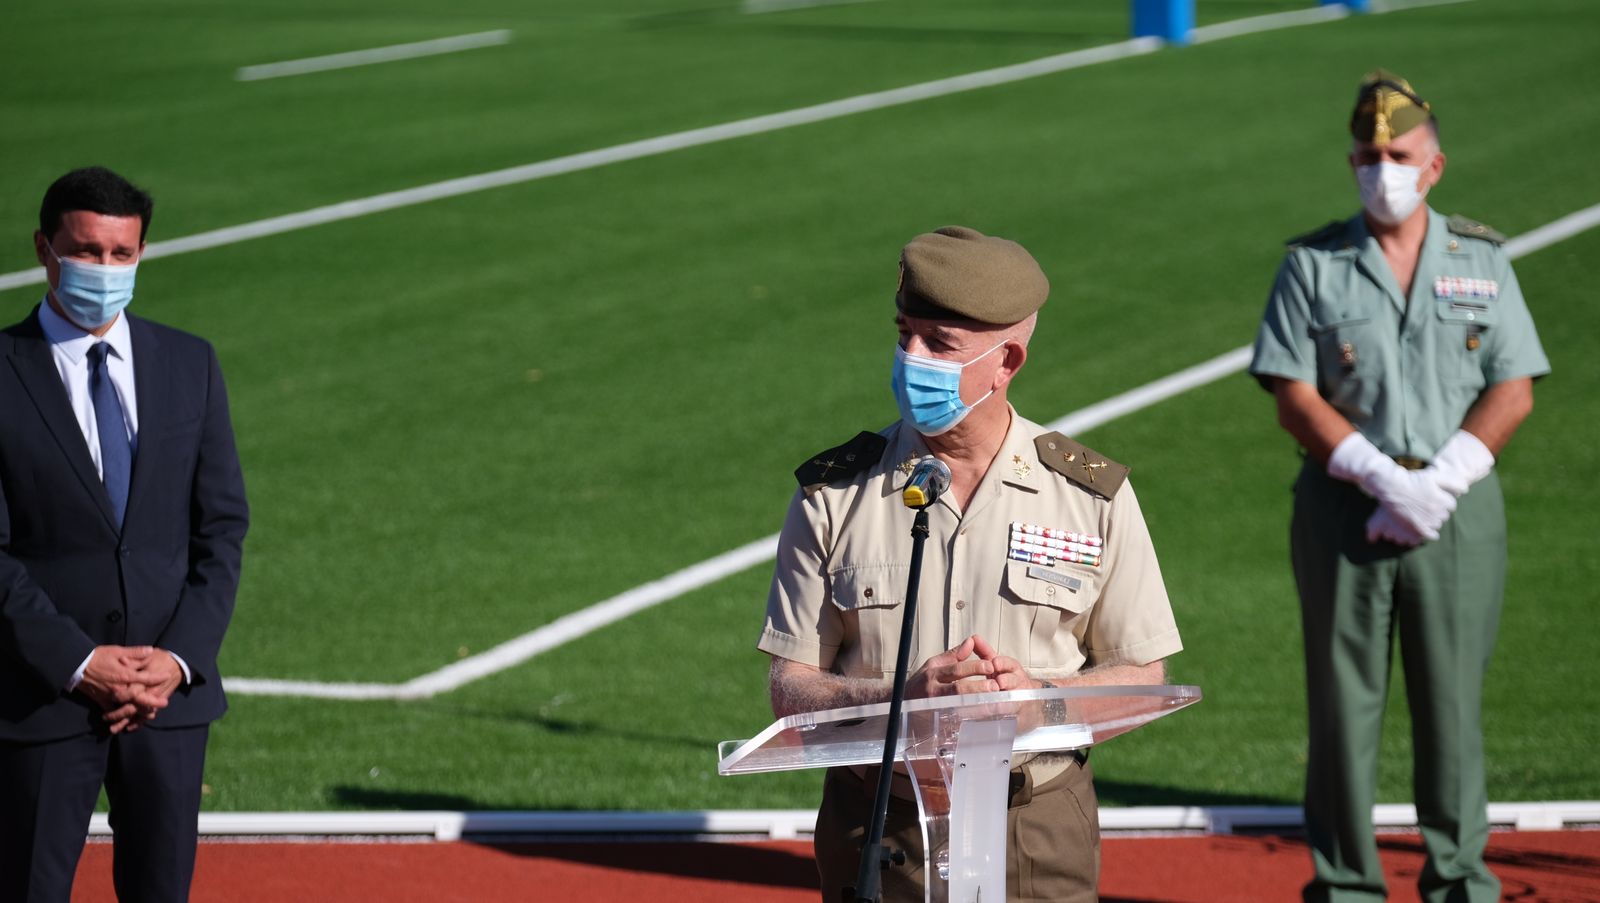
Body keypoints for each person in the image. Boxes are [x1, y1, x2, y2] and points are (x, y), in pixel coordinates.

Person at [759, 225, 1183, 903]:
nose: (910, 358)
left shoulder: (1088, 497)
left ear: (1007, 358)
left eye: (939, 344)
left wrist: (1035, 702)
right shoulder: (834, 495)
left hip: (1035, 828)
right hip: (876, 826)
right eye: (904, 333)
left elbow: (1144, 677)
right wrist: (901, 700)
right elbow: (789, 689)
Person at [1249, 72, 1548, 903]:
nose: (1383, 168)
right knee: (1343, 709)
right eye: (1368, 155)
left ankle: (1460, 879)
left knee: (1453, 704)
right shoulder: (1314, 264)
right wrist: (1380, 476)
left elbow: (1512, 384)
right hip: (1345, 503)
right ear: (1352, 161)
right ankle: (1347, 885)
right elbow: (1292, 392)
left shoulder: (1482, 257)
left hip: (1457, 509)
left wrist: (1439, 481)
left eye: (1399, 154)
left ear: (1435, 165)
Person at [0, 166, 250, 902]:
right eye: (86, 251)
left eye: (120, 254)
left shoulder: (190, 363)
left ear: (140, 254)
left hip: (166, 706)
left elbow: (222, 527)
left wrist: (176, 660)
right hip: (41, 700)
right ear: (45, 248)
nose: (103, 270)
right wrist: (80, 661)